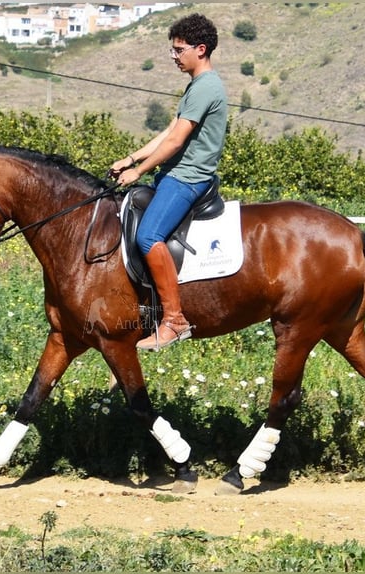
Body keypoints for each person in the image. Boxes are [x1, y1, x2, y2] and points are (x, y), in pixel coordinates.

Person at [110, 13, 228, 351]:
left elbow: (176, 143)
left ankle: (174, 320)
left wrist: (139, 172)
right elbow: (169, 133)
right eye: (172, 50)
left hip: (187, 177)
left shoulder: (206, 86)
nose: (174, 56)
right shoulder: (197, 85)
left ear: (200, 49)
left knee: (148, 236)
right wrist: (130, 159)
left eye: (179, 50)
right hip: (175, 173)